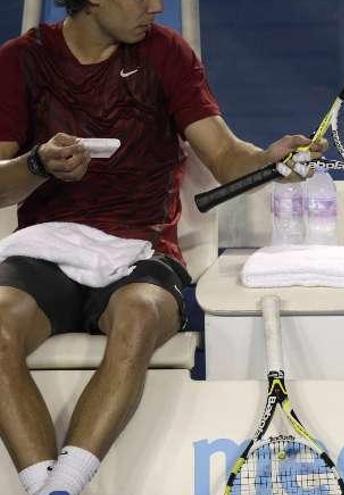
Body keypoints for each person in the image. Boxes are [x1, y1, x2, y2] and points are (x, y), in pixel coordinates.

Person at [0, 1, 324, 494]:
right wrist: (40, 164)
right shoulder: (19, 60)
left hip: (144, 252)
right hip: (47, 250)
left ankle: (58, 487)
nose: (157, 5)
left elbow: (225, 158)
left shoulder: (167, 53)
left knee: (140, 314)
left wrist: (269, 161)